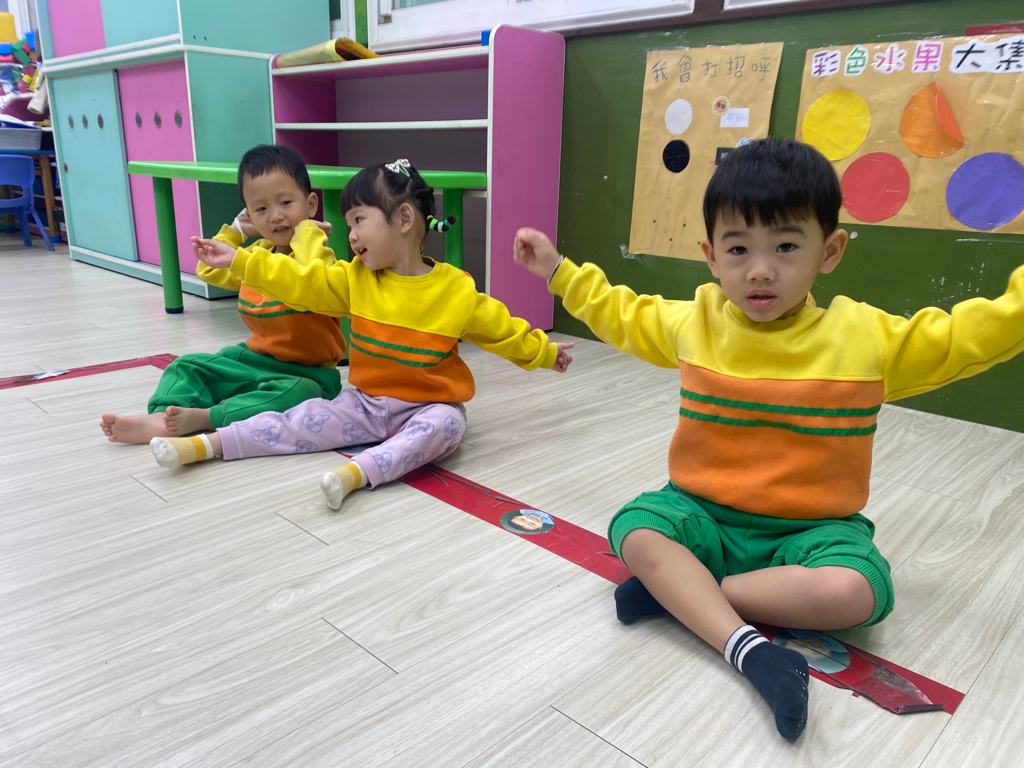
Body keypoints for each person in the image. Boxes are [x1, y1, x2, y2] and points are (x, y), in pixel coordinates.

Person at [512, 137, 1024, 740]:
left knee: (859, 591)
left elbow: (965, 336)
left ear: (829, 251)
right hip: (701, 515)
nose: (759, 269)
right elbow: (622, 313)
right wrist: (559, 272)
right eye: (738, 249)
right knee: (637, 529)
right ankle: (746, 647)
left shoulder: (866, 340)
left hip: (811, 533)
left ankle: (687, 594)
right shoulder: (696, 321)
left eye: (785, 246)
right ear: (710, 257)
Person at [151, 158, 574, 510]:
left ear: (403, 219)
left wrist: (543, 351)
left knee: (447, 425)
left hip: (428, 406)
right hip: (365, 405)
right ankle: (207, 445)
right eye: (349, 223)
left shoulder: (456, 291)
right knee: (299, 420)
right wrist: (241, 261)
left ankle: (358, 472)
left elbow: (503, 330)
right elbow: (302, 281)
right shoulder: (355, 279)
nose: (350, 235)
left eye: (358, 221)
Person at [100, 144, 345, 444]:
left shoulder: (319, 257)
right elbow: (210, 269)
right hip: (254, 360)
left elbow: (314, 283)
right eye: (261, 209)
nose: (276, 216)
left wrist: (308, 232)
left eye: (285, 202)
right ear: (250, 216)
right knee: (186, 365)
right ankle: (161, 418)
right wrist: (236, 231)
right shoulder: (257, 252)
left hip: (308, 374)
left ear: (310, 204)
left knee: (299, 395)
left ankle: (207, 418)